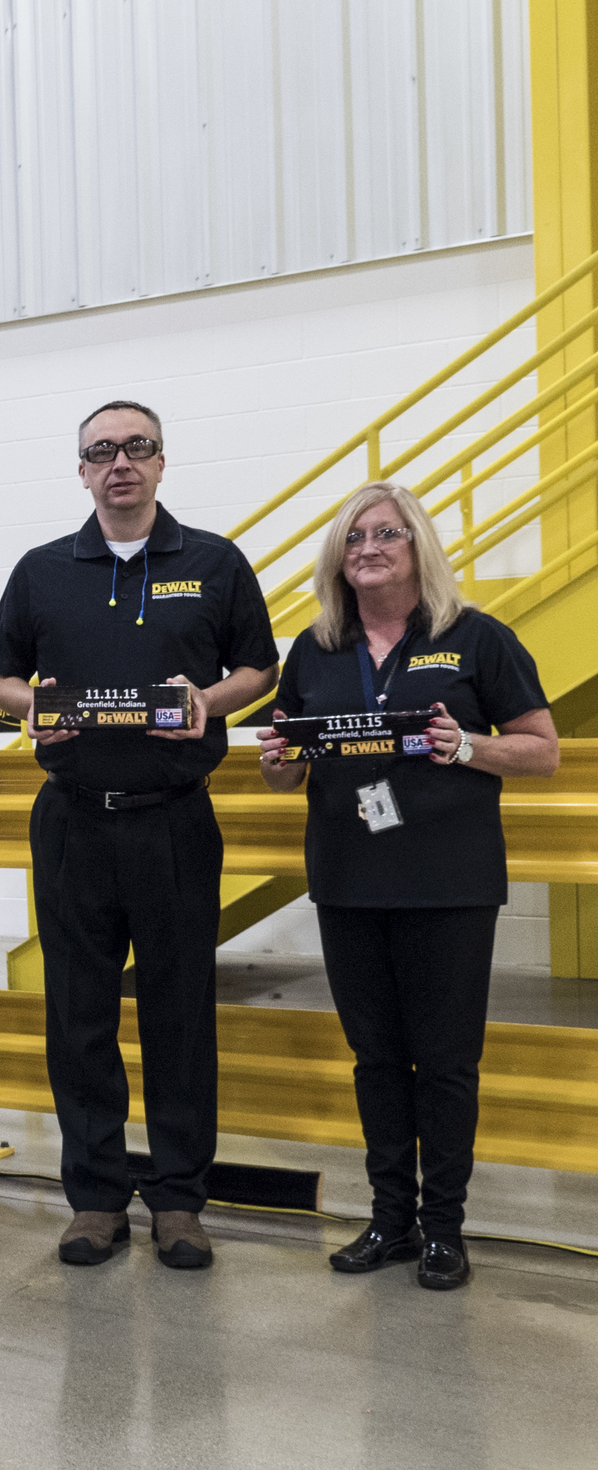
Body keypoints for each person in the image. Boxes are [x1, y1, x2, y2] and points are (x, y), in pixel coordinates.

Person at [0, 400, 278, 1270]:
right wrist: (30, 706)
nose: (120, 463)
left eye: (136, 448)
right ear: (81, 470)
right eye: (101, 451)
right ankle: (97, 1200)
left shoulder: (215, 562)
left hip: (175, 821)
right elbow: (1, 677)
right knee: (78, 1018)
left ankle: (182, 1202)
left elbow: (260, 667)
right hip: (75, 823)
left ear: (160, 463)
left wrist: (209, 704)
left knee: (180, 1015)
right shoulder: (42, 570)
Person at [256, 481, 557, 1290]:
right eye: (353, 539)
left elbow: (543, 750)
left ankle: (444, 1231)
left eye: (386, 533)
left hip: (449, 881)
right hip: (350, 879)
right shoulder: (315, 650)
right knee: (376, 1059)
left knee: (448, 1061)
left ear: (418, 543)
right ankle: (390, 1220)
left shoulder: (476, 639)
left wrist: (469, 748)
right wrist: (279, 767)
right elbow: (287, 767)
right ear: (338, 560)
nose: (369, 549)